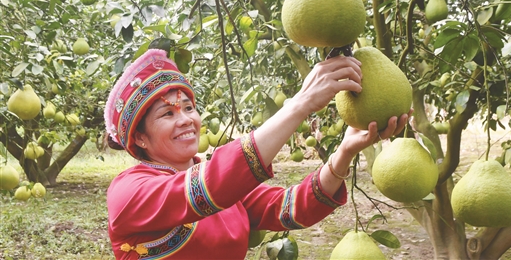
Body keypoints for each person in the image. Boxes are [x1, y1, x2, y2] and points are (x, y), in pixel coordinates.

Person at [104, 48, 409, 260]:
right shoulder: (129, 193)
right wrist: (298, 105)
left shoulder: (225, 187)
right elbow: (206, 188)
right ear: (140, 137)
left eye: (188, 108)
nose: (186, 119)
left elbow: (291, 208)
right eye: (167, 114)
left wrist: (344, 151)